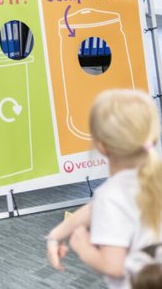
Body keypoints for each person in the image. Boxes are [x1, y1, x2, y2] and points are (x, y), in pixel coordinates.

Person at [46, 89, 162, 288]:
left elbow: (113, 266)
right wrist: (56, 235)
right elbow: (96, 208)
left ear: (101, 146)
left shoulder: (111, 195)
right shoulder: (150, 178)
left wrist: (82, 247)